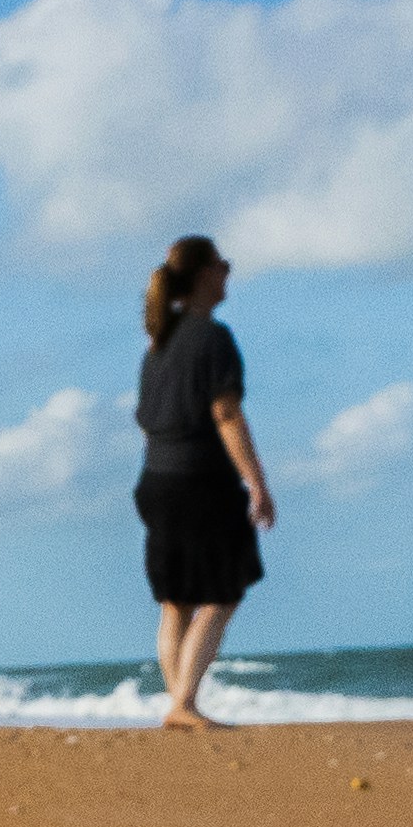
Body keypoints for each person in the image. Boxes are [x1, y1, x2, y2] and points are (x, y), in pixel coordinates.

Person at [133, 234, 273, 729]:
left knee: (177, 601)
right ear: (203, 275)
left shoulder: (159, 344)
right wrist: (257, 483)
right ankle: (184, 704)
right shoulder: (212, 339)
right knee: (222, 591)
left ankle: (178, 704)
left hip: (156, 481)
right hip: (200, 482)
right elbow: (226, 413)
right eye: (223, 265)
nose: (228, 273)